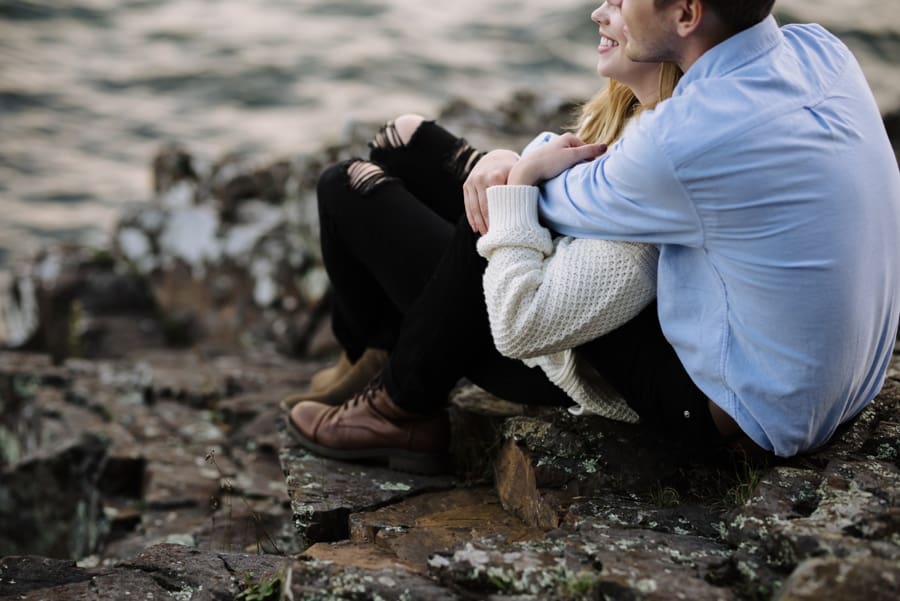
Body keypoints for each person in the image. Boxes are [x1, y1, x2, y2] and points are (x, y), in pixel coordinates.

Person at [283, 4, 712, 474]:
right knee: (402, 139)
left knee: (346, 185)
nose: (598, 14)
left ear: (675, 26)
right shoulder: (631, 116)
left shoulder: (658, 166)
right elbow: (557, 188)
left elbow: (528, 319)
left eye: (620, 5)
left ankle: (397, 406)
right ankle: (377, 353)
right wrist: (506, 162)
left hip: (542, 354)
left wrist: (513, 190)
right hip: (538, 282)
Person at [485, 0, 900, 458]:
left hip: (737, 416)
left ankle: (409, 403)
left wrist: (519, 166)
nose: (607, 7)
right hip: (848, 392)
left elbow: (554, 197)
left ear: (686, 14)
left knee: (498, 232)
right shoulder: (822, 51)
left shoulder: (686, 134)